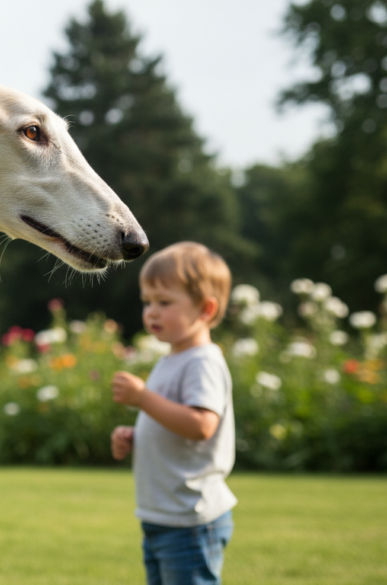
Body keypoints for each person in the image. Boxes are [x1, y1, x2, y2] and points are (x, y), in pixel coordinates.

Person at [111, 241, 236, 585]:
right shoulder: (172, 359)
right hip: (164, 515)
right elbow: (174, 422)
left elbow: (201, 425)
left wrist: (143, 399)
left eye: (164, 302)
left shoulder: (203, 361)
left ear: (205, 309)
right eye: (147, 302)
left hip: (191, 520)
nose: (151, 311)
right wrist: (136, 436)